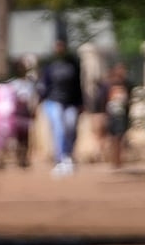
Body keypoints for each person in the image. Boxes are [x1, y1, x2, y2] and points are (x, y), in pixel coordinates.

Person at [37, 39, 83, 175]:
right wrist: (40, 100)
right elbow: (44, 85)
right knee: (59, 129)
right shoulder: (49, 65)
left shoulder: (73, 64)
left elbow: (78, 84)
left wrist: (81, 102)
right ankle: (60, 158)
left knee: (71, 127)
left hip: (71, 102)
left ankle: (68, 154)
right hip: (54, 101)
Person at [93, 62, 131, 169]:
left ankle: (119, 159)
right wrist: (102, 115)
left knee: (120, 137)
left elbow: (128, 102)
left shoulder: (126, 85)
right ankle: (114, 159)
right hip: (111, 115)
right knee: (113, 138)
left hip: (122, 116)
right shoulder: (107, 86)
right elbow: (102, 101)